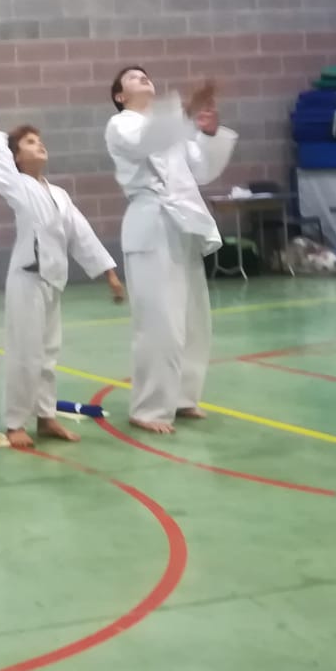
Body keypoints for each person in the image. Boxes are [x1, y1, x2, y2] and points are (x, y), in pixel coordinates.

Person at [0, 106, 125, 449]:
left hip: (53, 281)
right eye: (29, 142)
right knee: (24, 354)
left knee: (47, 355)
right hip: (27, 279)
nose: (39, 144)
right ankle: (16, 422)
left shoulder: (59, 195)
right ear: (16, 157)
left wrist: (110, 274)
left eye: (40, 140)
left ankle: (45, 417)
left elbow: (82, 235)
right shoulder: (17, 184)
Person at [105, 69, 237, 434]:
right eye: (133, 77)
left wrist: (207, 132)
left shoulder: (169, 128)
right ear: (119, 96)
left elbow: (201, 169)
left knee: (193, 318)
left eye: (146, 75)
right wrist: (188, 109)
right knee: (158, 321)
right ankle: (148, 407)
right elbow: (145, 143)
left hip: (183, 225)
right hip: (150, 224)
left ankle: (182, 397)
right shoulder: (121, 125)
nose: (143, 78)